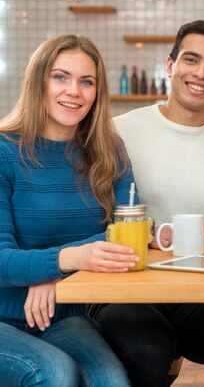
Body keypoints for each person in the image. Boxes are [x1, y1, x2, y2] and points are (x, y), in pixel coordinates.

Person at [87, 20, 204, 387]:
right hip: (123, 289)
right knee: (150, 344)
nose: (201, 73)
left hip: (196, 291)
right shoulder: (117, 132)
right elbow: (91, 213)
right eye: (191, 60)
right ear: (170, 65)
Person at [0, 34, 135, 386]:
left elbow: (134, 229)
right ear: (38, 81)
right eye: (60, 77)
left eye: (86, 81)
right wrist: (70, 259)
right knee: (54, 372)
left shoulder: (108, 150)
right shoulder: (4, 152)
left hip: (63, 315)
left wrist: (52, 274)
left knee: (112, 382)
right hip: (1, 315)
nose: (73, 91)